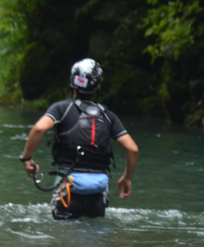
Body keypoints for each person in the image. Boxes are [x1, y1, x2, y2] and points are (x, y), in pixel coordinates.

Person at [19, 59, 139, 220]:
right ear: (98, 87)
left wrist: (26, 158)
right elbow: (132, 149)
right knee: (93, 239)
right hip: (98, 191)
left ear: (73, 83)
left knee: (63, 240)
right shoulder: (108, 116)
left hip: (69, 187)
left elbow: (39, 128)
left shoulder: (62, 108)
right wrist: (127, 178)